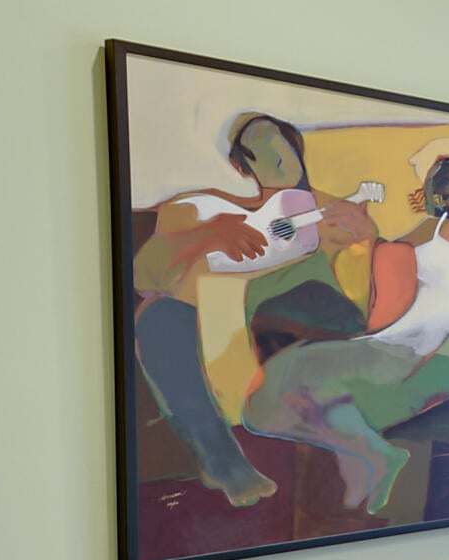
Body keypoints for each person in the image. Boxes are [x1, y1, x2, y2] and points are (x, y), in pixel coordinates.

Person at [127, 113, 375, 505]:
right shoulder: (199, 210)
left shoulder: (331, 211)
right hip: (206, 315)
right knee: (156, 317)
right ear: (241, 166)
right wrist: (207, 236)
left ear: (297, 148)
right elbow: (142, 274)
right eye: (257, 148)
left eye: (281, 142)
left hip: (297, 309)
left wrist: (367, 241)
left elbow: (365, 289)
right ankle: (222, 461)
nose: (276, 154)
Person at [240, 155, 449, 514]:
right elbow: (386, 258)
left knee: (307, 387)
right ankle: (373, 453)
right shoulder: (432, 228)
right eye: (448, 192)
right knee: (258, 406)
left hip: (437, 351)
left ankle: (371, 456)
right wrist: (365, 235)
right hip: (390, 342)